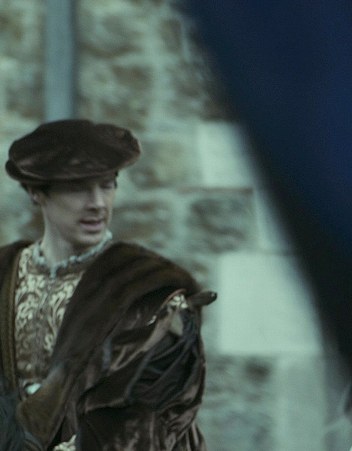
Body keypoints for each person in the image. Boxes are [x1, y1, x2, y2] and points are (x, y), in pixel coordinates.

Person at [0, 119, 216, 450]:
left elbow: (147, 417)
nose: (98, 203)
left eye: (107, 185)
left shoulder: (149, 292)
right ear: (36, 192)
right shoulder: (4, 273)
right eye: (78, 188)